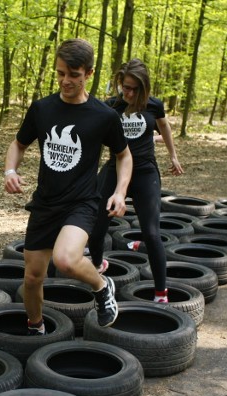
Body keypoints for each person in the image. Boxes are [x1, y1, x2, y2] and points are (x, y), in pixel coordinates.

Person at [4, 38, 133, 335]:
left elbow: (123, 155)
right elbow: (18, 144)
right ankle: (35, 328)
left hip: (82, 202)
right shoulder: (42, 109)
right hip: (45, 203)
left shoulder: (104, 116)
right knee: (33, 278)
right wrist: (10, 170)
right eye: (61, 73)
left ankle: (101, 286)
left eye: (73, 75)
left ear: (89, 73)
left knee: (65, 259)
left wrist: (120, 191)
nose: (65, 81)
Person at [88, 58, 184, 303]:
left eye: (133, 88)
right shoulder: (112, 106)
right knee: (97, 225)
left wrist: (173, 156)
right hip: (114, 169)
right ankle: (98, 265)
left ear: (143, 88)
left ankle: (161, 293)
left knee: (151, 233)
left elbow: (165, 128)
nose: (128, 92)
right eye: (124, 87)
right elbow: (93, 131)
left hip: (145, 173)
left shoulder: (154, 106)